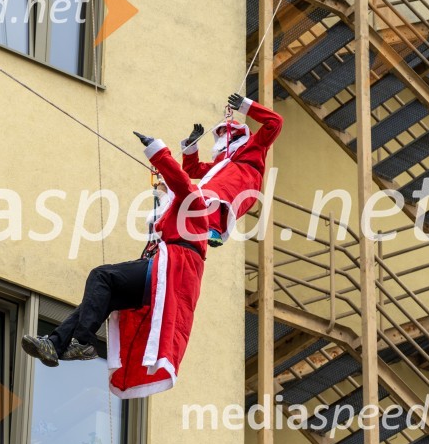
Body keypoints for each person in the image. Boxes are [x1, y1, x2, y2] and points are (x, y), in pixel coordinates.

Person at [21, 132, 209, 399]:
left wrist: (157, 151)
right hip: (161, 271)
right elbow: (169, 202)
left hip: (171, 272)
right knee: (103, 296)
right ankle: (55, 343)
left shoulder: (195, 203)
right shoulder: (175, 218)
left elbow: (181, 183)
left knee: (102, 276)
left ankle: (83, 341)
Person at [181, 93, 283, 247]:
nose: (223, 134)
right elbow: (192, 170)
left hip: (244, 180)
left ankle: (212, 229)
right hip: (227, 182)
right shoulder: (220, 165)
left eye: (226, 131)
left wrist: (246, 106)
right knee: (199, 193)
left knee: (211, 190)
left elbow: (275, 122)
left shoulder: (255, 143)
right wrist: (191, 144)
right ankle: (208, 229)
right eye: (220, 132)